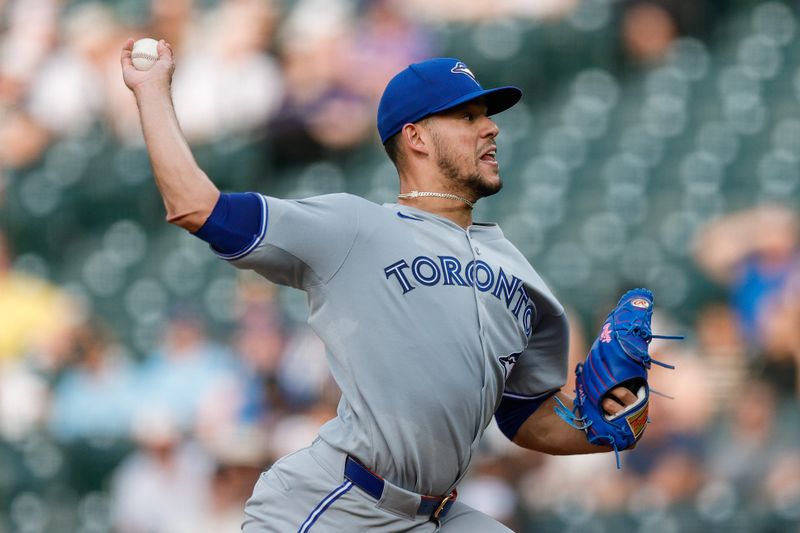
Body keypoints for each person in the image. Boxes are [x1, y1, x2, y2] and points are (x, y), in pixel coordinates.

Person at [121, 39, 641, 532]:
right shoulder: (353, 228)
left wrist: (613, 423)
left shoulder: (517, 271)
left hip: (437, 513)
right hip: (340, 503)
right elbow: (195, 206)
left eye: (487, 116)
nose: (490, 129)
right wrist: (151, 92)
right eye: (467, 117)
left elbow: (524, 414)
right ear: (415, 136)